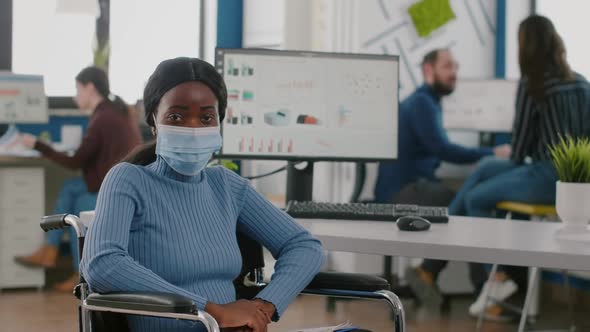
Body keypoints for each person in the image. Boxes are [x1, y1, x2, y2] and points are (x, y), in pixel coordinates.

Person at [80, 57, 326, 332]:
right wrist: (214, 311)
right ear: (153, 121)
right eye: (176, 116)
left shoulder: (227, 186)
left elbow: (305, 247)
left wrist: (263, 307)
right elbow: (101, 263)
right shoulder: (128, 179)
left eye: (206, 117)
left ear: (218, 123)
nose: (193, 128)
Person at [407, 15, 590, 320]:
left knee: (476, 197)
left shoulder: (534, 83)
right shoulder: (582, 83)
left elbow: (519, 153)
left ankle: (495, 277)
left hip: (545, 178)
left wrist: (516, 154)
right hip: (575, 186)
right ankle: (431, 267)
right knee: (486, 167)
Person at [14, 67, 142, 292]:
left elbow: (76, 161)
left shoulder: (102, 118)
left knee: (75, 202)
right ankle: (63, 260)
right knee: (72, 193)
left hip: (111, 187)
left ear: (90, 88)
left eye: (78, 89)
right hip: (120, 183)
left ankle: (58, 256)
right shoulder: (116, 112)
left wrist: (38, 145)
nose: (75, 96)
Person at [374, 48, 510, 205]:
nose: (454, 73)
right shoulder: (422, 103)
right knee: (471, 201)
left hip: (405, 188)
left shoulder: (423, 100)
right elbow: (443, 150)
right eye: (447, 66)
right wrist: (493, 152)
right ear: (428, 69)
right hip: (402, 192)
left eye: (455, 67)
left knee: (465, 193)